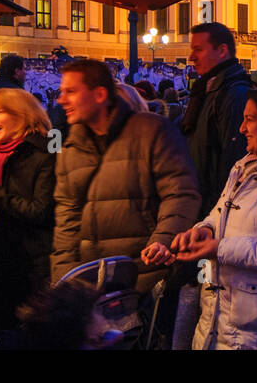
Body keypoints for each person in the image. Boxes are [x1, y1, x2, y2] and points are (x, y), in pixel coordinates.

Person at [144, 86, 257, 349]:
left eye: (250, 119)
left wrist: (219, 248)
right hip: (215, 321)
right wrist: (204, 230)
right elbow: (219, 213)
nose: (242, 129)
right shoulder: (243, 167)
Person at [51, 59, 201, 288]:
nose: (61, 99)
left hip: (144, 276)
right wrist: (64, 282)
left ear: (100, 94)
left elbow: (181, 194)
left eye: (70, 91)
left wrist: (162, 241)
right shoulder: (70, 149)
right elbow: (66, 223)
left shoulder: (151, 130)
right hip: (91, 283)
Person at [0, 87, 56, 348]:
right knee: (7, 333)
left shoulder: (44, 153)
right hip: (8, 256)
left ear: (22, 115)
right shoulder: (2, 153)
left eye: (0, 111)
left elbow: (39, 211)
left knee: (25, 336)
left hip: (33, 265)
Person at [181, 22, 252, 217]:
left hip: (213, 212)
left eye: (198, 49)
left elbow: (234, 163)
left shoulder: (234, 95)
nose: (191, 57)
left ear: (222, 51)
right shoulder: (206, 91)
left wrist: (214, 217)